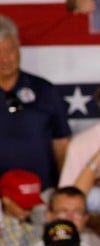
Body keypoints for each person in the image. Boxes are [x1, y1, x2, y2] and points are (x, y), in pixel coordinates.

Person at [0, 14, 71, 188]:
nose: (5, 59)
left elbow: (62, 144)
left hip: (42, 196)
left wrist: (63, 189)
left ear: (19, 47)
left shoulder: (45, 90)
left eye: (9, 51)